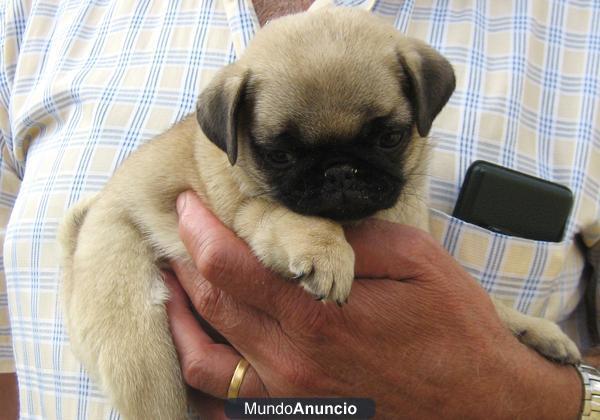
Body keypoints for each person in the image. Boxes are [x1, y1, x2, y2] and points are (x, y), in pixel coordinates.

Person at [0, 0, 598, 419]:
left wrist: (536, 398)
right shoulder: (32, 13)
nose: (340, 179)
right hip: (127, 251)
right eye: (286, 155)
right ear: (233, 132)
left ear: (424, 99)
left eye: (382, 140)